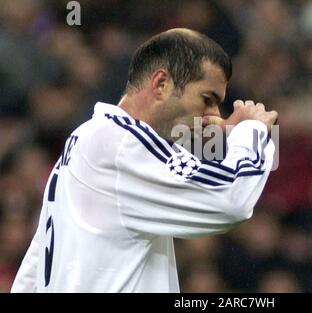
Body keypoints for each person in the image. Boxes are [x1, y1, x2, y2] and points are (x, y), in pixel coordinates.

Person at [11, 28, 278, 292]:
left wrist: (229, 140)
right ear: (161, 84)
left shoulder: (88, 138)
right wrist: (252, 131)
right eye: (207, 99)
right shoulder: (123, 144)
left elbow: (34, 266)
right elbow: (229, 200)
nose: (213, 115)